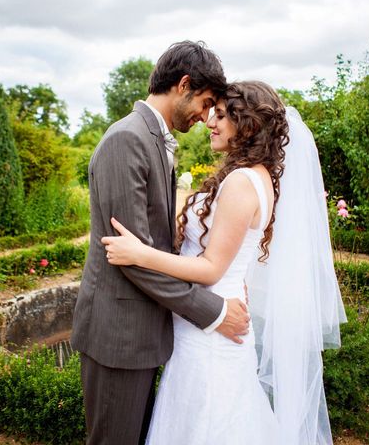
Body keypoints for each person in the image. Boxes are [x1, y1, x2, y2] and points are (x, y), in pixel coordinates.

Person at [102, 81, 347, 444]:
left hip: (211, 332)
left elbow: (211, 267)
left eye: (222, 115)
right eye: (212, 112)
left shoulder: (241, 182)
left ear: (246, 124)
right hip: (209, 321)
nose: (210, 122)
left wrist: (141, 254)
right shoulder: (254, 176)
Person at [70, 41, 251, 445]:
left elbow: (153, 245)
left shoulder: (154, 140)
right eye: (205, 104)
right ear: (184, 84)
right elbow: (131, 257)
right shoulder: (127, 140)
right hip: (118, 336)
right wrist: (214, 311)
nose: (206, 117)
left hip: (144, 333)